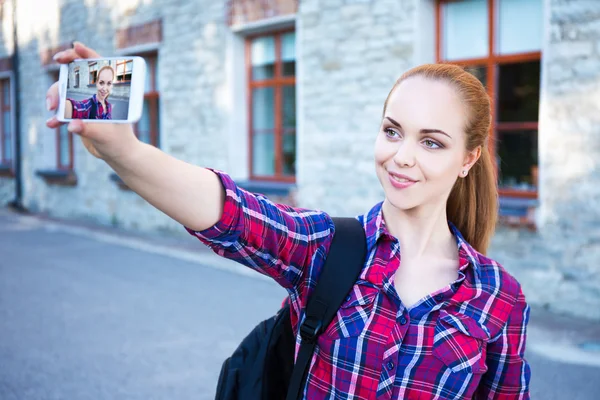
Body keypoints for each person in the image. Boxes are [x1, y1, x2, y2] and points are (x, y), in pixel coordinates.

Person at [46, 42, 531, 399]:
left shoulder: (500, 300)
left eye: (431, 142)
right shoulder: (329, 249)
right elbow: (229, 212)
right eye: (391, 131)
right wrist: (123, 149)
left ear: (468, 159)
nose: (401, 157)